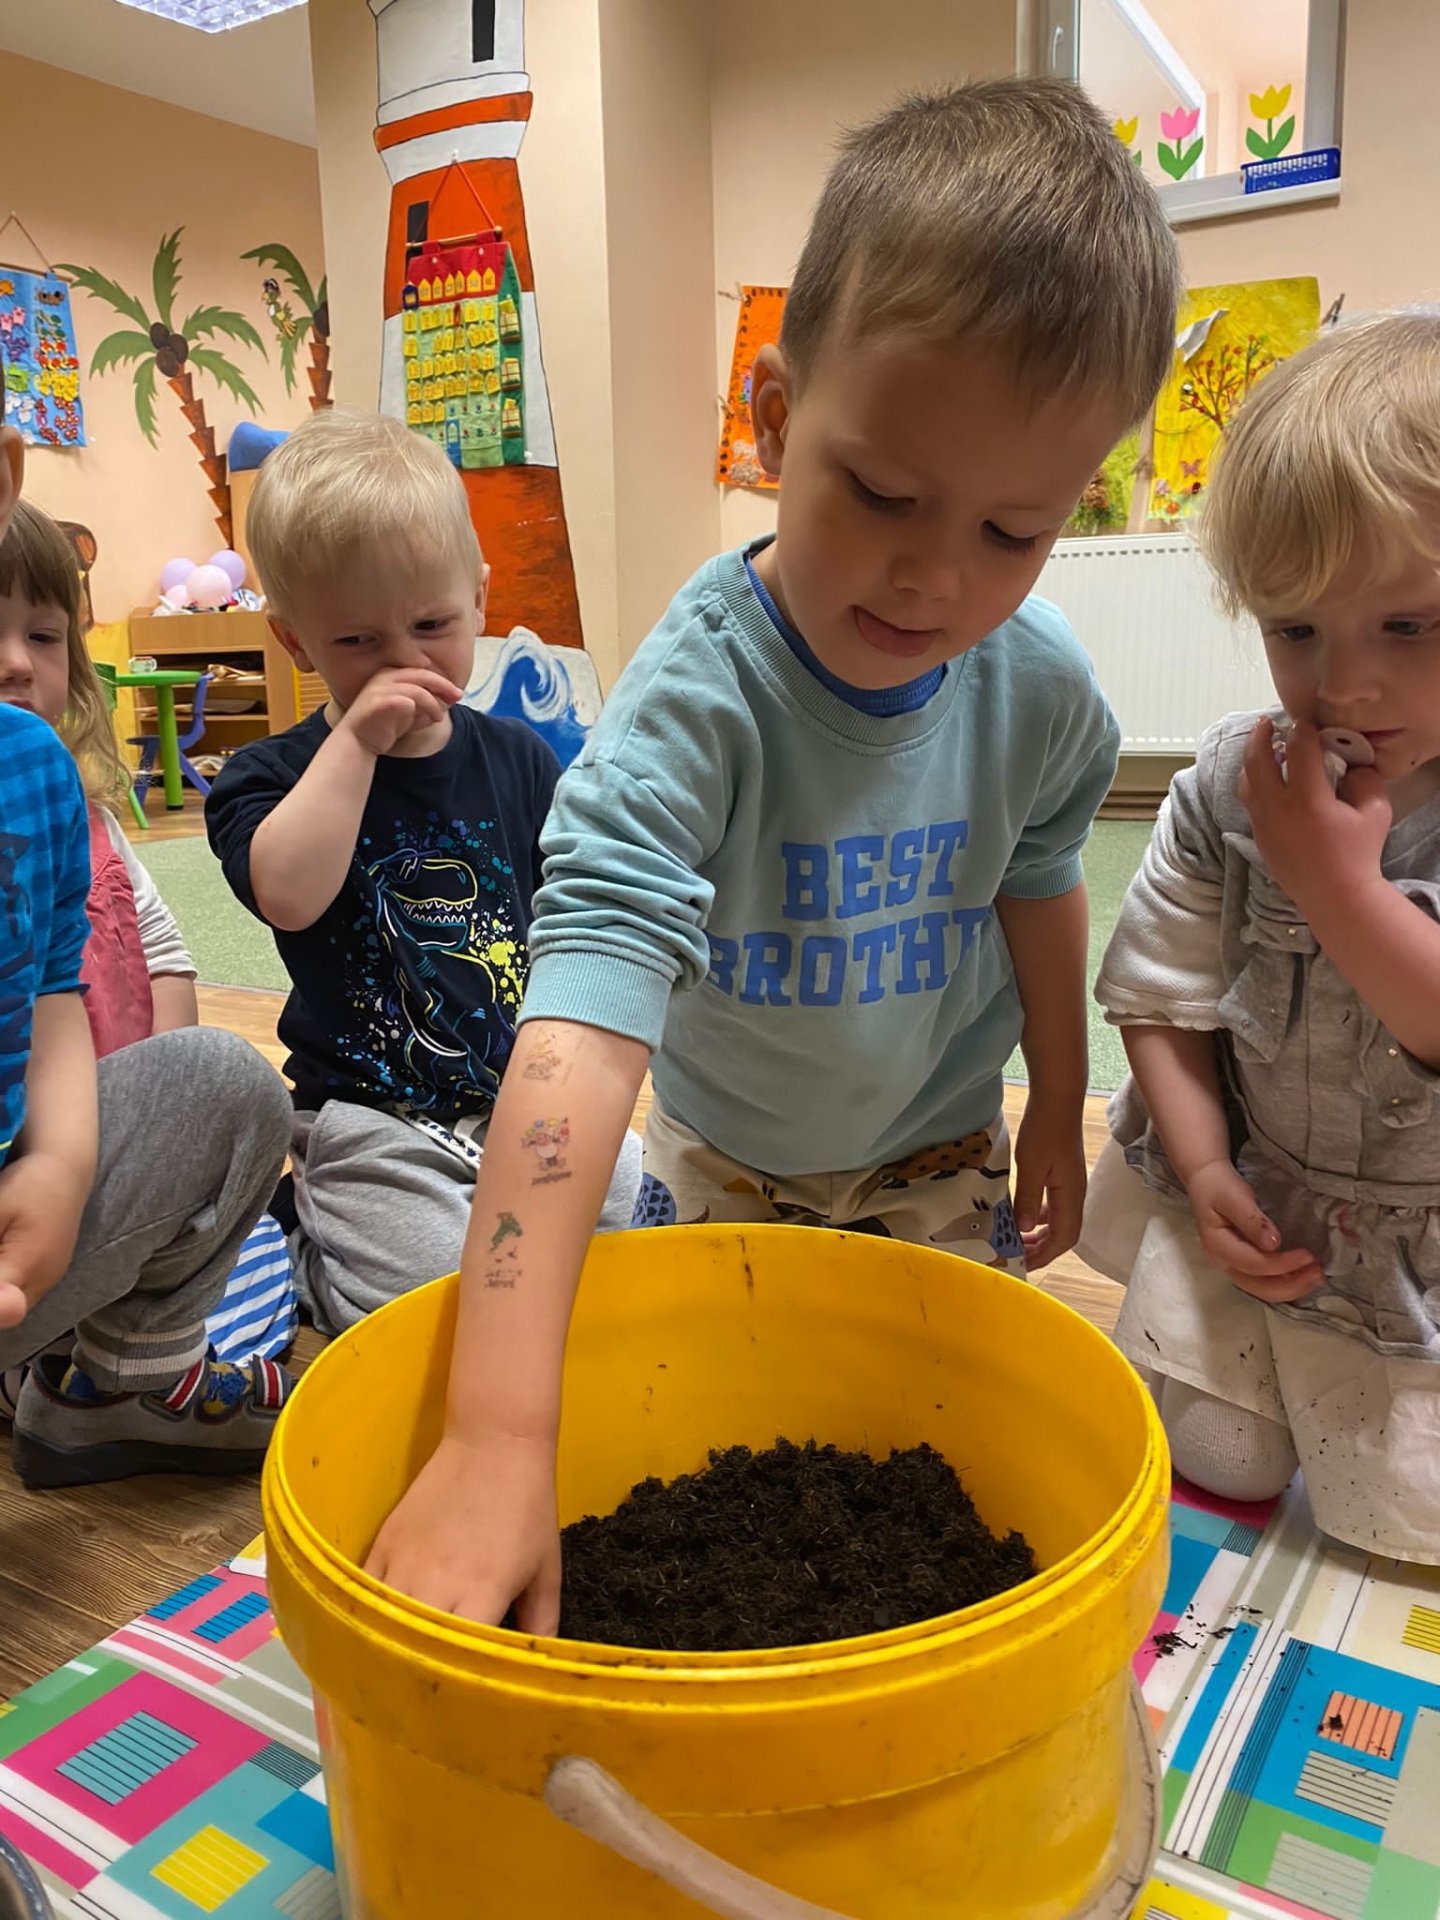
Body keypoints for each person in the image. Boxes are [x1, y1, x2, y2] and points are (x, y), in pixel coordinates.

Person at [367, 77, 1182, 1627]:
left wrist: (1060, 1110)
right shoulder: (698, 700)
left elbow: (1039, 886)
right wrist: (495, 1432)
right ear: (778, 420)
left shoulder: (1044, 692)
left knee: (933, 1457)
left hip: (939, 1151)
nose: (933, 574)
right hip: (724, 1156)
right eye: (881, 492)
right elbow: (583, 1019)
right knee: (710, 1423)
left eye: (1013, 532)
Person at [1079, 315, 1440, 1563]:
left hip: (1419, 1234)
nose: (1345, 684)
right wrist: (1205, 1168)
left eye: (1411, 626)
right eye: (1296, 630)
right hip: (1265, 1192)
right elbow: (1158, 997)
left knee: (1403, 1525)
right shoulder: (1228, 784)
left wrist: (1336, 884)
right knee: (1216, 1454)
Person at [206, 410, 641, 1335]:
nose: (403, 662)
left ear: (480, 600)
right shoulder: (270, 778)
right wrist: (358, 742)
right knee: (424, 1298)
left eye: (432, 624)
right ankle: (309, 1249)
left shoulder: (518, 758)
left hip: (515, 1093)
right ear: (295, 641)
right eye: (358, 643)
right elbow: (289, 894)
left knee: (625, 1204)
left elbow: (566, 912)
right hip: (370, 1112)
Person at [0, 435, 293, 1489]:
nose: (16, 662)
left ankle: (115, 1379)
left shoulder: (55, 794)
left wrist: (74, 1163)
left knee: (231, 1103)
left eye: (43, 636)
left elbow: (140, 963)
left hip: (61, 1169)